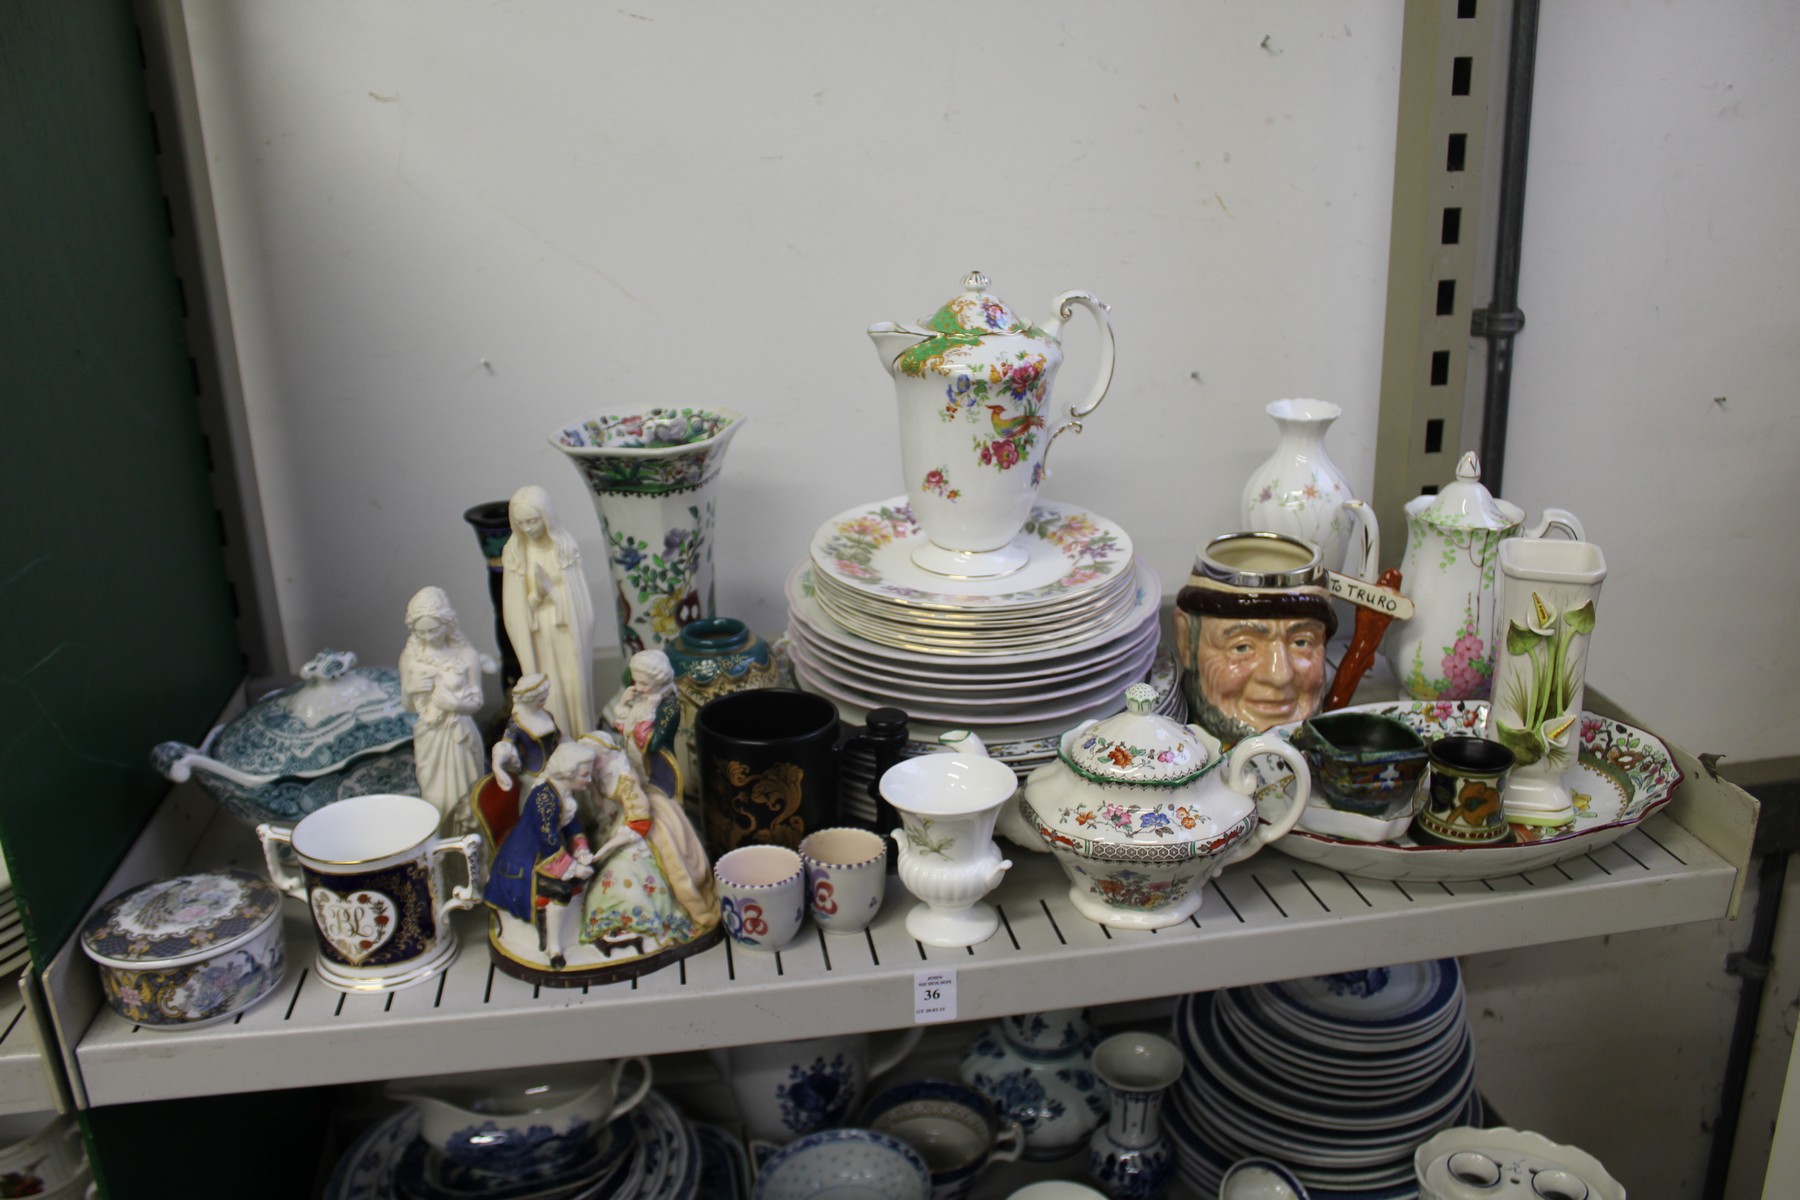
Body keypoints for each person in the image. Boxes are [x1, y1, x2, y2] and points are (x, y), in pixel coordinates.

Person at [578, 731, 717, 954]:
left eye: (592, 757)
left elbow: (637, 825)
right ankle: (617, 921)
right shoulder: (597, 774)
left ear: (604, 753)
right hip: (617, 821)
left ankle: (642, 919)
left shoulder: (625, 779)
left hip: (643, 824)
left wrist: (604, 849)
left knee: (625, 868)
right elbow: (603, 810)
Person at [485, 741, 597, 970]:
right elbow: (548, 841)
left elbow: (572, 827)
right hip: (522, 865)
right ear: (568, 772)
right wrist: (574, 868)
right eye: (585, 775)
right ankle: (554, 948)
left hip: (544, 858)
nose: (589, 780)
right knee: (562, 890)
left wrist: (582, 850)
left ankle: (578, 930)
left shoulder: (563, 794)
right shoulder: (543, 800)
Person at [501, 484, 597, 744]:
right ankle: (551, 743)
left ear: (547, 517)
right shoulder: (515, 553)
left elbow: (580, 604)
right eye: (521, 523)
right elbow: (513, 611)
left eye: (533, 521)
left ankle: (579, 737)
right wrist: (535, 597)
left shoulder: (563, 547)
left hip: (565, 629)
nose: (528, 528)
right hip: (537, 634)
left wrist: (552, 594)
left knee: (572, 685)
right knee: (548, 690)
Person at [398, 586, 491, 833]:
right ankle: (442, 858)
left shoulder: (466, 655)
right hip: (430, 737)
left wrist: (455, 705)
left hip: (460, 735)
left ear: (447, 623)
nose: (429, 637)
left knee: (468, 799)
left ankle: (473, 858)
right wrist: (410, 689)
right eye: (422, 632)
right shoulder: (410, 657)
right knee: (435, 800)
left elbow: (477, 701)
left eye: (434, 629)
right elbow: (407, 704)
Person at [600, 648, 680, 780]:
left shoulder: (668, 707)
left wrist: (649, 710)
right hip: (635, 766)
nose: (638, 688)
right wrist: (623, 704)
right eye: (635, 681)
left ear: (659, 680)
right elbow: (623, 729)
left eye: (643, 683)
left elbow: (650, 744)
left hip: (656, 771)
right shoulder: (642, 699)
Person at [491, 673, 562, 799]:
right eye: (540, 700)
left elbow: (558, 738)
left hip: (556, 769)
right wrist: (497, 766)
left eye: (545, 699)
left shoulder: (546, 714)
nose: (544, 703)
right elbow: (506, 744)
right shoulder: (517, 722)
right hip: (533, 775)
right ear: (530, 699)